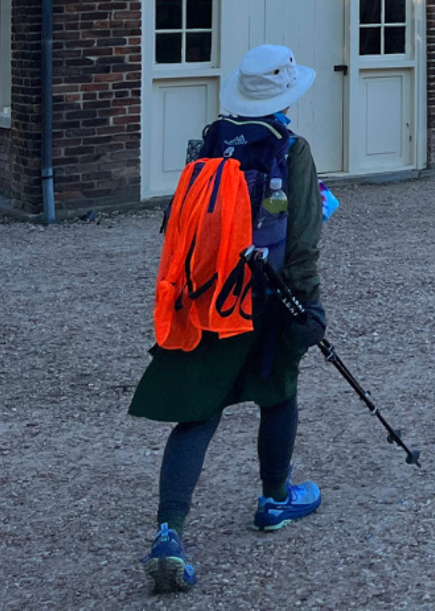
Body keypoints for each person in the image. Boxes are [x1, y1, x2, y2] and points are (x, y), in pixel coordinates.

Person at [133, 45, 331, 593]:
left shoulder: (211, 141)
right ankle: (275, 498)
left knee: (197, 415)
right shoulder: (291, 150)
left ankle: (169, 532)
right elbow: (304, 239)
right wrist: (309, 304)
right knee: (279, 393)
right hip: (264, 296)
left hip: (206, 296)